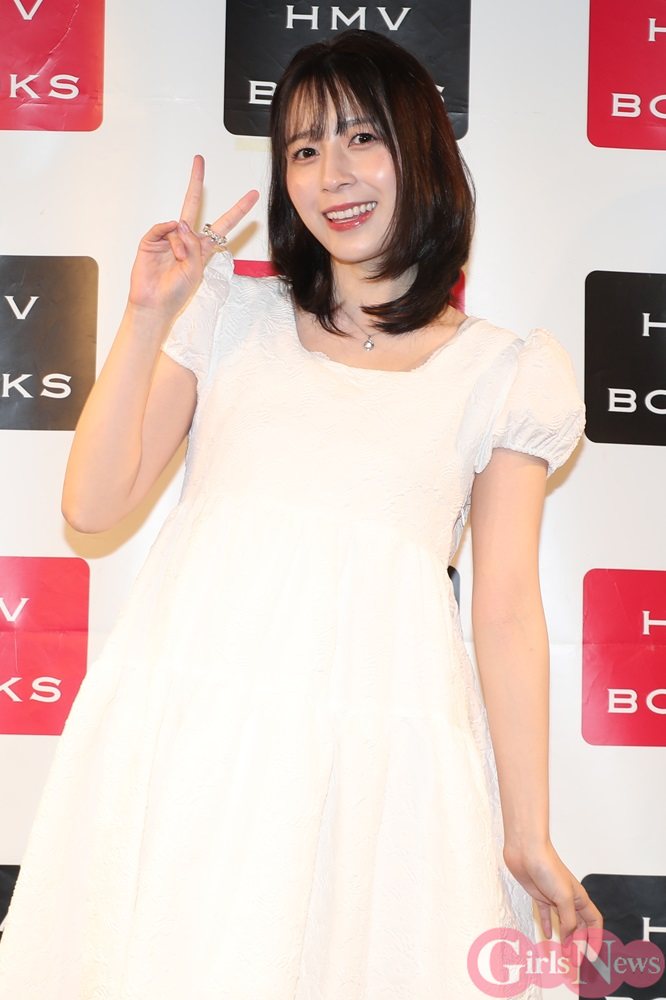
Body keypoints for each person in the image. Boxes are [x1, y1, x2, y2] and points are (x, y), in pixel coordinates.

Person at [0, 29, 601, 1000]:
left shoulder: (501, 370)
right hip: (194, 741)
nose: (334, 174)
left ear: (420, 149)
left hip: (373, 769)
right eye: (305, 149)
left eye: (363, 137)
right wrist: (147, 314)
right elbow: (92, 503)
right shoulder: (231, 320)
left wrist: (527, 831)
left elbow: (506, 613)